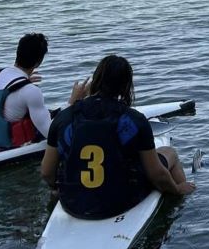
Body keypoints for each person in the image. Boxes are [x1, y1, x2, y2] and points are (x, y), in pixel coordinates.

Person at [41, 55, 195, 220]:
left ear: (95, 81)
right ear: (126, 86)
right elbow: (157, 175)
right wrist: (177, 189)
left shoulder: (63, 118)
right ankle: (183, 204)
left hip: (72, 204)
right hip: (119, 203)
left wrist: (58, 188)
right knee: (169, 153)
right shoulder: (134, 120)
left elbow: (47, 172)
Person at [0, 33, 87, 151]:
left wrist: (24, 82)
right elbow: (50, 134)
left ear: (17, 53)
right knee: (69, 117)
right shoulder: (30, 91)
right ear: (38, 62)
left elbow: (4, 100)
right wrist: (73, 102)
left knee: (47, 112)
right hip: (6, 145)